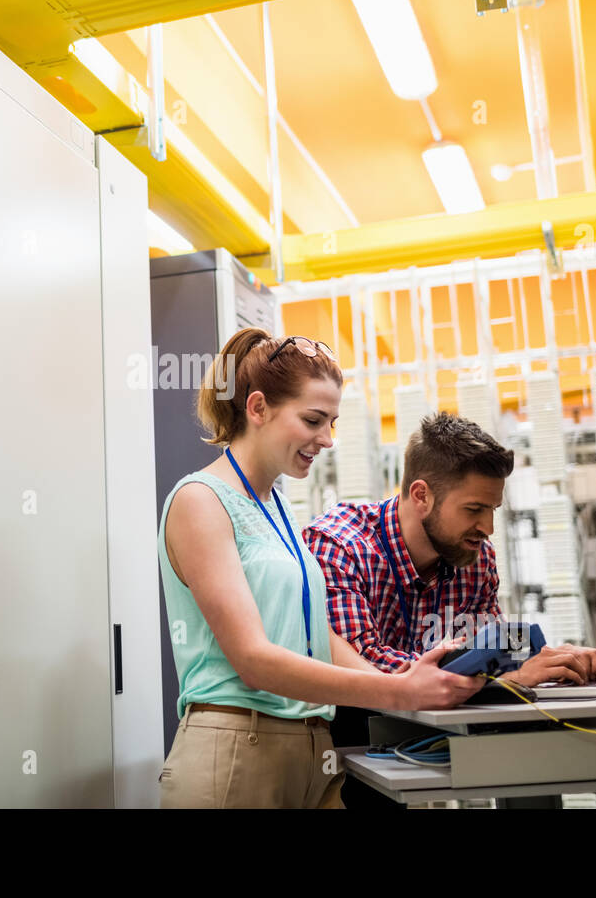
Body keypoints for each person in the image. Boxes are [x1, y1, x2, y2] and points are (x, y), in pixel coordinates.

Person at [156, 329, 485, 808]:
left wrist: (406, 679)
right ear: (258, 408)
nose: (327, 439)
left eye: (332, 422)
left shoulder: (279, 508)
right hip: (233, 749)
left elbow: (315, 633)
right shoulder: (200, 502)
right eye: (313, 420)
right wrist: (397, 692)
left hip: (311, 748)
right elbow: (253, 660)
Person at [304, 411, 596, 808]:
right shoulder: (341, 546)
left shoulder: (475, 558)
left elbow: (494, 644)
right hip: (347, 749)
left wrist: (550, 656)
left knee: (532, 759)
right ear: (421, 496)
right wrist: (510, 676)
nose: (487, 527)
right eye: (474, 509)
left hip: (422, 735)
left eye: (492, 511)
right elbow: (368, 669)